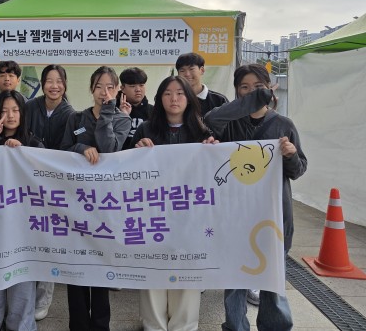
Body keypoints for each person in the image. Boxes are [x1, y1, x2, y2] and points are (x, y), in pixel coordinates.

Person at [204, 63, 307, 331]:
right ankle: (235, 325)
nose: (252, 92)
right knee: (235, 276)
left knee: (272, 279)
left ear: (270, 88)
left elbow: (298, 170)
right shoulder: (228, 123)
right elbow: (211, 120)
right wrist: (250, 102)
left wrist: (290, 155)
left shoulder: (283, 124)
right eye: (245, 88)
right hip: (235, 215)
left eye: (259, 87)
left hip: (273, 215)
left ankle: (276, 326)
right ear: (236, 92)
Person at [131, 75, 215, 331]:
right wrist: (136, 149)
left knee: (187, 270)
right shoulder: (146, 129)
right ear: (159, 99)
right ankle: (153, 324)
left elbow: (213, 172)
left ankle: (184, 325)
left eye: (180, 93)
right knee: (153, 268)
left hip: (190, 214)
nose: (174, 99)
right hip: (153, 211)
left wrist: (214, 150)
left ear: (188, 98)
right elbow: (127, 168)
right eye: (167, 93)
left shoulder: (202, 131)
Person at [60, 66, 132, 331]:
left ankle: (101, 325)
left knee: (101, 265)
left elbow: (109, 148)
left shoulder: (122, 121)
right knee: (77, 263)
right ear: (91, 89)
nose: (104, 92)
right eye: (99, 87)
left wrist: (108, 114)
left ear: (118, 90)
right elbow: (64, 149)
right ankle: (78, 325)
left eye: (110, 87)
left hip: (105, 203)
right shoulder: (76, 118)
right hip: (76, 200)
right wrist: (81, 147)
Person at [0, 89, 43, 331]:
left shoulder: (34, 142)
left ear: (23, 114)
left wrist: (23, 153)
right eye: (4, 111)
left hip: (23, 225)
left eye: (15, 110)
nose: (10, 116)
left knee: (22, 275)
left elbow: (42, 178)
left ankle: (21, 324)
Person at [24, 64, 75, 321]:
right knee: (28, 236)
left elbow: (72, 146)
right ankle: (24, 295)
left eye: (59, 81)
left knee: (48, 239)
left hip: (54, 184)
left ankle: (43, 298)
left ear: (64, 85)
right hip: (27, 180)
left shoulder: (71, 114)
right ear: (42, 84)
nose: (54, 86)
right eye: (49, 81)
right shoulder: (29, 107)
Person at [176, 52, 228, 117]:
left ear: (202, 70)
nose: (187, 74)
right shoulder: (174, 100)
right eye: (182, 71)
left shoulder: (219, 100)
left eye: (191, 69)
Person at [115, 67, 153, 149]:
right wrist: (122, 116)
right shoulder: (112, 110)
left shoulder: (154, 111)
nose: (138, 89)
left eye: (141, 85)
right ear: (122, 88)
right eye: (132, 86)